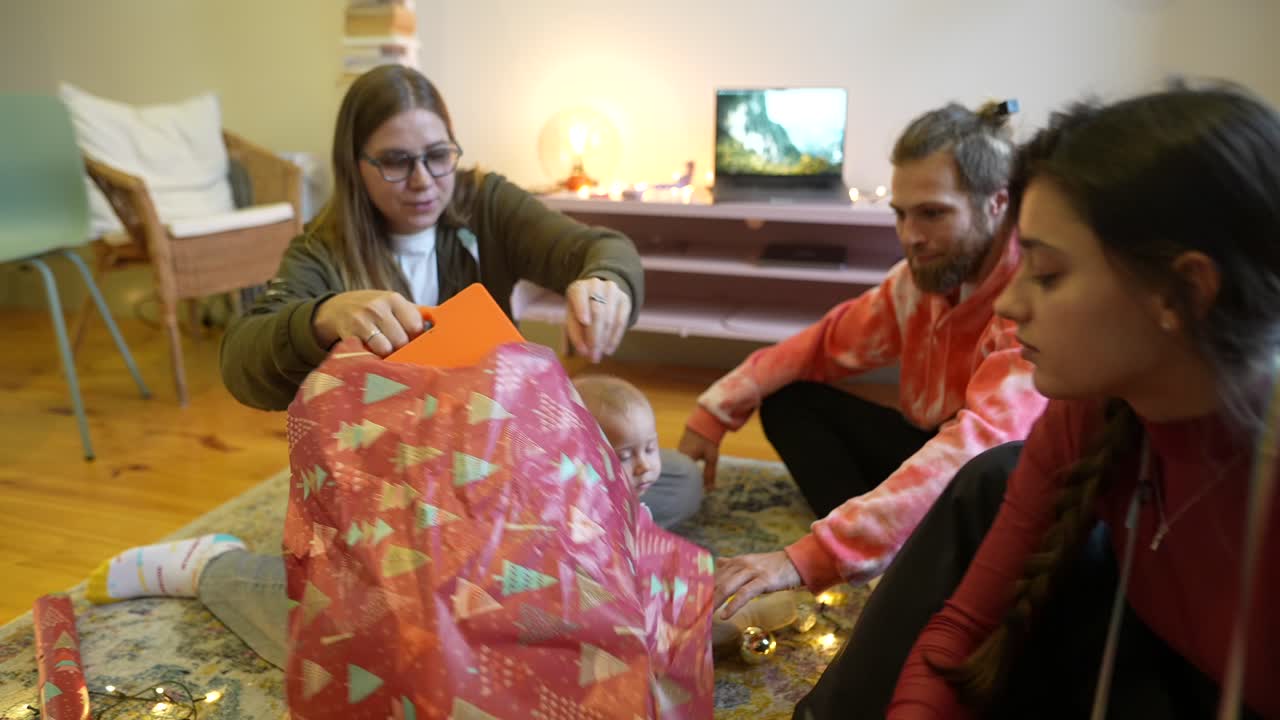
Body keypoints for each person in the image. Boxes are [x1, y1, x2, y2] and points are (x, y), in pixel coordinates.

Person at [81, 64, 704, 666]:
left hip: (502, 475)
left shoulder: (484, 202)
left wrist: (605, 280)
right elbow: (243, 358)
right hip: (400, 501)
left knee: (669, 478)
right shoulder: (322, 251)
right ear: (357, 166)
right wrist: (324, 315)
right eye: (397, 162)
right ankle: (214, 568)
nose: (425, 179)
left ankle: (521, 576)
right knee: (390, 634)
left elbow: (597, 246)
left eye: (439, 154)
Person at [802, 85, 1280, 719]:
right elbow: (963, 629)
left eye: (1049, 275)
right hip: (1135, 660)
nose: (1008, 304)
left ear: (1186, 290)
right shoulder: (1090, 413)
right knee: (994, 478)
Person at [698, 101, 1049, 618]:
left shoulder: (1032, 299)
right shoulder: (921, 280)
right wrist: (714, 411)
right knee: (789, 399)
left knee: (983, 491)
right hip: (935, 444)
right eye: (901, 215)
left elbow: (977, 447)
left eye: (932, 213)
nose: (910, 237)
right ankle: (880, 544)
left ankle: (881, 549)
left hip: (999, 480)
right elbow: (823, 343)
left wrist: (803, 561)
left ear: (997, 204)